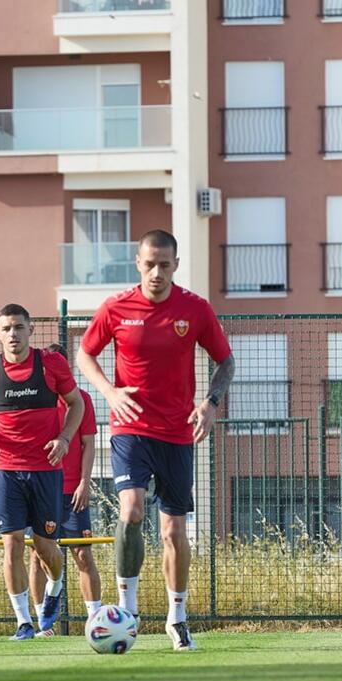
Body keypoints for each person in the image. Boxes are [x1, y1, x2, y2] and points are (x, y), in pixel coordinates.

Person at [76, 229, 235, 651]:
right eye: (149, 265)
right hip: (130, 427)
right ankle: (126, 611)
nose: (156, 273)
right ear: (138, 263)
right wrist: (109, 392)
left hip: (178, 432)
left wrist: (211, 404)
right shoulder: (116, 307)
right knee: (131, 509)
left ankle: (177, 618)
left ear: (176, 265)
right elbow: (85, 354)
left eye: (165, 265)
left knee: (173, 530)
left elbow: (226, 361)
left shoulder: (195, 309)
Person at [0, 304, 85, 641]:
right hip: (6, 470)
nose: (13, 334)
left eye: (19, 327)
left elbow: (76, 403)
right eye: (6, 328)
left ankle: (56, 585)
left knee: (45, 549)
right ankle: (24, 622)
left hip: (45, 470)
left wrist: (64, 438)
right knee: (12, 545)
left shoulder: (50, 364)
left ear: (30, 330)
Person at [28, 343, 101, 636]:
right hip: (42, 490)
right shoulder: (34, 399)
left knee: (83, 555)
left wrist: (84, 482)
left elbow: (88, 444)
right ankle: (42, 624)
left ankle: (96, 620)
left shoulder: (81, 400)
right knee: (37, 556)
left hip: (72, 493)